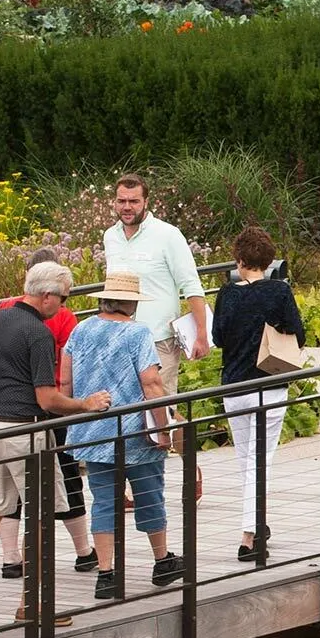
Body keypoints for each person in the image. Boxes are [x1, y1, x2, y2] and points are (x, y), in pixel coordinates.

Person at [0, 259, 101, 627]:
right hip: (26, 431)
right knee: (41, 514)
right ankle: (31, 605)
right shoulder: (38, 334)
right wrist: (85, 404)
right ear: (47, 296)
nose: (64, 306)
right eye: (63, 299)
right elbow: (47, 398)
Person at [61, 273, 177, 598]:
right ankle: (162, 561)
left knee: (103, 501)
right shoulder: (136, 333)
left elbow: (65, 384)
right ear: (130, 303)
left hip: (93, 432)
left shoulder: (80, 329)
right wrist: (163, 428)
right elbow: (152, 384)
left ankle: (106, 574)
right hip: (135, 433)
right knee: (149, 492)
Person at [0, 247, 96, 582]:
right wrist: (77, 404)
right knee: (66, 478)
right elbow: (71, 364)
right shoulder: (63, 318)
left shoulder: (3, 310)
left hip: (5, 410)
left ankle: (11, 558)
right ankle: (83, 552)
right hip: (50, 404)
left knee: (9, 486)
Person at [208, 227, 304, 563]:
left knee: (245, 461)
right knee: (260, 462)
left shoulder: (227, 293)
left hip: (234, 387)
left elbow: (218, 337)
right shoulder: (279, 291)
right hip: (268, 386)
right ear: (268, 260)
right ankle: (249, 535)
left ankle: (257, 525)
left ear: (239, 259)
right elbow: (298, 333)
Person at [98, 174, 210, 442]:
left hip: (158, 340)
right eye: (122, 201)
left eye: (134, 201)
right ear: (114, 202)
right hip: (119, 339)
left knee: (164, 413)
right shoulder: (110, 236)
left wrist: (203, 334)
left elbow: (191, 285)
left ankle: (189, 470)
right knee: (125, 412)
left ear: (146, 202)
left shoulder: (168, 235)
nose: (127, 207)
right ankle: (140, 474)